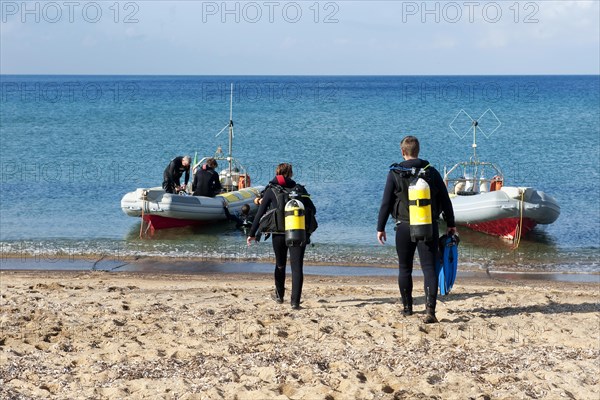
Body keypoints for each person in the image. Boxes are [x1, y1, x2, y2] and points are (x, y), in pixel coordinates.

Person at [377, 136, 456, 323]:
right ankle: (430, 311)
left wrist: (380, 227)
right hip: (428, 226)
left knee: (405, 268)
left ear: (403, 152)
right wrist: (451, 223)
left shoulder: (395, 173)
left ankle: (407, 309)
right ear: (418, 151)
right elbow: (446, 201)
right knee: (429, 269)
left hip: (403, 226)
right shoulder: (432, 172)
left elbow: (386, 203)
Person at [247, 163, 316, 310]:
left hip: (278, 234)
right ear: (291, 173)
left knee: (280, 265)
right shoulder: (300, 189)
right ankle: (295, 303)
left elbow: (259, 213)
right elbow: (313, 210)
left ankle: (279, 297)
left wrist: (252, 233)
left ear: (277, 172)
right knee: (297, 268)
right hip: (298, 232)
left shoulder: (271, 190)